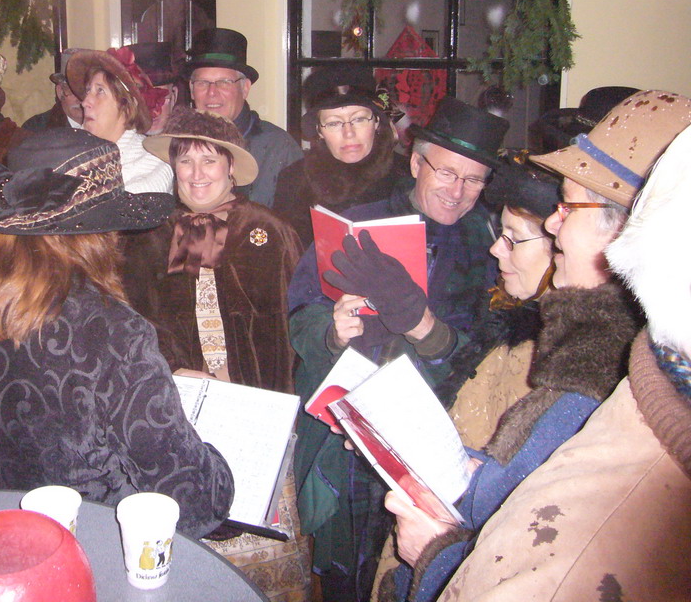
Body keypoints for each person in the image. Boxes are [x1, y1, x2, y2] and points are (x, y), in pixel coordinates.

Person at [379, 89, 691, 602]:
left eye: (568, 207)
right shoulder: (613, 356)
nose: (553, 222)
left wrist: (437, 555)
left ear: (632, 227)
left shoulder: (600, 375)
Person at [0, 129, 234, 538]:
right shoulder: (115, 331)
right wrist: (218, 451)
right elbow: (195, 502)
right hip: (93, 552)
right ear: (101, 233)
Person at [289, 96, 507, 601]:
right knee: (347, 567)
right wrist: (332, 328)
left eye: (474, 179)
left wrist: (423, 328)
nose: (458, 191)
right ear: (415, 162)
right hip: (351, 437)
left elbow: (487, 356)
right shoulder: (356, 224)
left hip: (438, 446)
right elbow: (302, 312)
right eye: (447, 172)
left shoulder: (493, 247)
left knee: (416, 573)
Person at [122, 106, 311, 598]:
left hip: (256, 411)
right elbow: (140, 324)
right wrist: (175, 371)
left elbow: (292, 328)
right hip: (182, 414)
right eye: (187, 162)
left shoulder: (264, 231)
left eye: (210, 161)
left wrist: (253, 396)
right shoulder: (157, 237)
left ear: (231, 168)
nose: (198, 174)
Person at [447, 152, 559, 449]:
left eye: (514, 238)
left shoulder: (561, 354)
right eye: (501, 233)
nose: (496, 249)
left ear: (561, 248)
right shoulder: (507, 319)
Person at [273, 65, 408, 246]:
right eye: (334, 123)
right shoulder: (294, 181)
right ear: (319, 131)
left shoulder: (408, 177)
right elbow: (286, 256)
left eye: (359, 119)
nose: (348, 133)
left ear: (376, 121)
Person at [184, 27, 302, 208]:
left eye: (224, 82)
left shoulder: (278, 148)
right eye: (202, 83)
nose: (212, 93)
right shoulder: (178, 144)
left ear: (245, 88)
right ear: (191, 90)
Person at [67, 47, 173, 193]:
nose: (85, 102)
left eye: (100, 91)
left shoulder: (154, 166)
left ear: (127, 107)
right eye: (88, 91)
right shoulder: (68, 154)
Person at [22, 48, 84, 131]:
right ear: (60, 92)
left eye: (85, 91)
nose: (79, 99)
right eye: (72, 90)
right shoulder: (35, 129)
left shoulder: (104, 127)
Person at [128, 41, 183, 135]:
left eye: (160, 96)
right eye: (144, 98)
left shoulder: (187, 146)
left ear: (174, 96)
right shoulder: (117, 146)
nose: (153, 109)